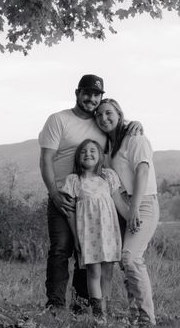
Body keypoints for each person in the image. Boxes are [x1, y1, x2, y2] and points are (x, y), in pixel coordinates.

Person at [38, 74, 140, 312]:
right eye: (87, 93)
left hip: (96, 198)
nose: (91, 99)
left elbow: (118, 127)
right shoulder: (59, 120)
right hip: (64, 194)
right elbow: (45, 160)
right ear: (77, 93)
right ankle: (55, 305)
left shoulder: (100, 123)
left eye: (96, 95)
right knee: (61, 248)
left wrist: (135, 124)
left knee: (89, 251)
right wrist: (54, 193)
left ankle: (82, 303)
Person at [95, 98, 159, 326]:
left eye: (108, 113)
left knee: (131, 257)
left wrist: (134, 209)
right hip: (121, 204)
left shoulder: (135, 138)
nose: (104, 118)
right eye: (99, 115)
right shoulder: (110, 145)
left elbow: (142, 172)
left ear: (119, 114)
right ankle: (134, 315)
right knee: (125, 263)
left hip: (143, 202)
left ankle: (147, 319)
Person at [59, 139, 130, 318]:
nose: (88, 154)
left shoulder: (108, 176)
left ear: (100, 155)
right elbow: (70, 213)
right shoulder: (74, 180)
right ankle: (98, 315)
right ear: (78, 157)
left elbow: (119, 203)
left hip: (108, 232)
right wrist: (76, 237)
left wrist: (133, 218)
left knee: (108, 272)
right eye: (83, 151)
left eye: (92, 151)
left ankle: (105, 308)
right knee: (93, 271)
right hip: (88, 234)